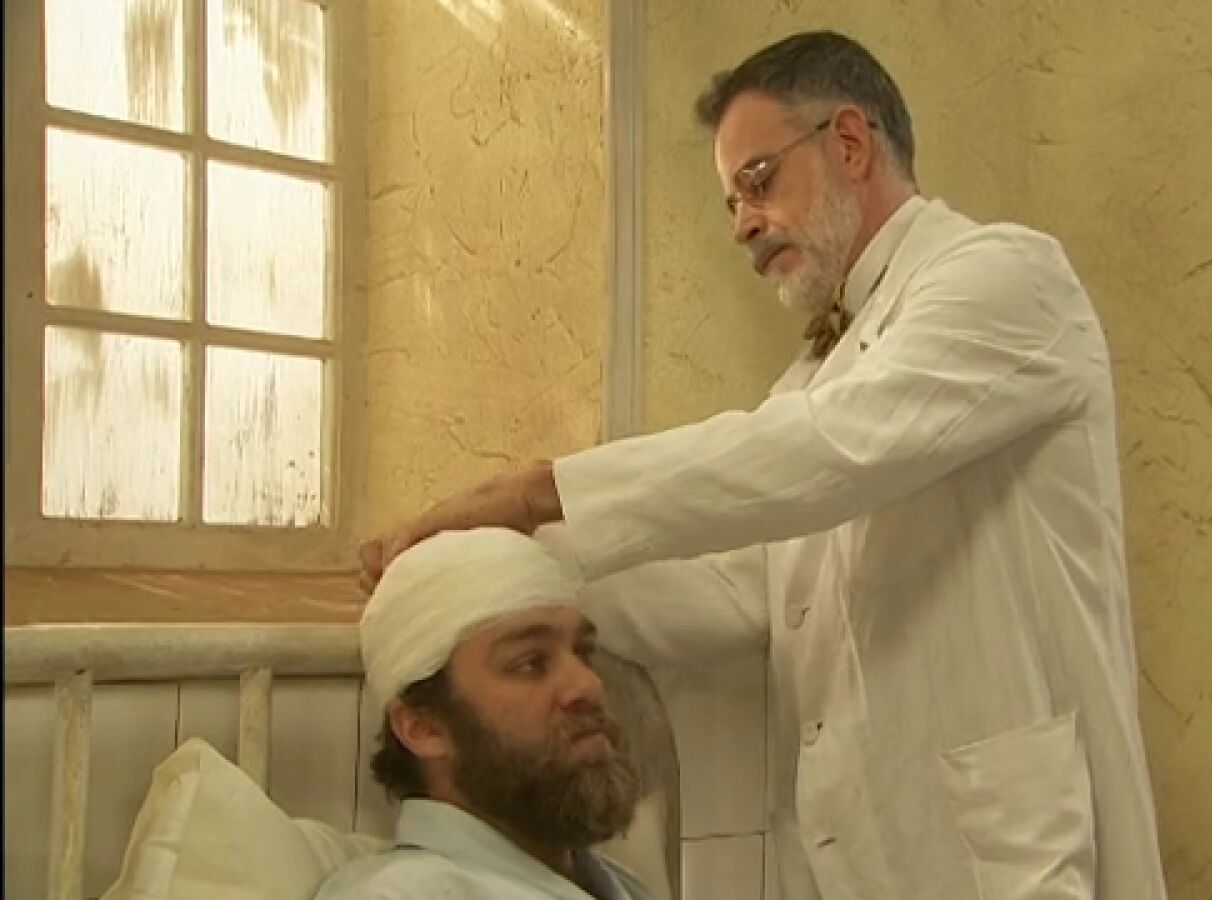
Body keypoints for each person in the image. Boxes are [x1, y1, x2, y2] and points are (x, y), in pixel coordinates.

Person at [361, 30, 1167, 900]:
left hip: (1004, 854)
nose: (742, 224)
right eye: (732, 202)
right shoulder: (817, 375)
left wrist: (531, 492)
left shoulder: (1006, 278)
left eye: (758, 180)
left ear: (848, 143)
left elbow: (826, 450)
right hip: (865, 854)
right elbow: (742, 590)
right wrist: (492, 575)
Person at [318, 528, 655, 900]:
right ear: (423, 727)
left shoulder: (614, 884)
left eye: (583, 652)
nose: (588, 685)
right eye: (530, 663)